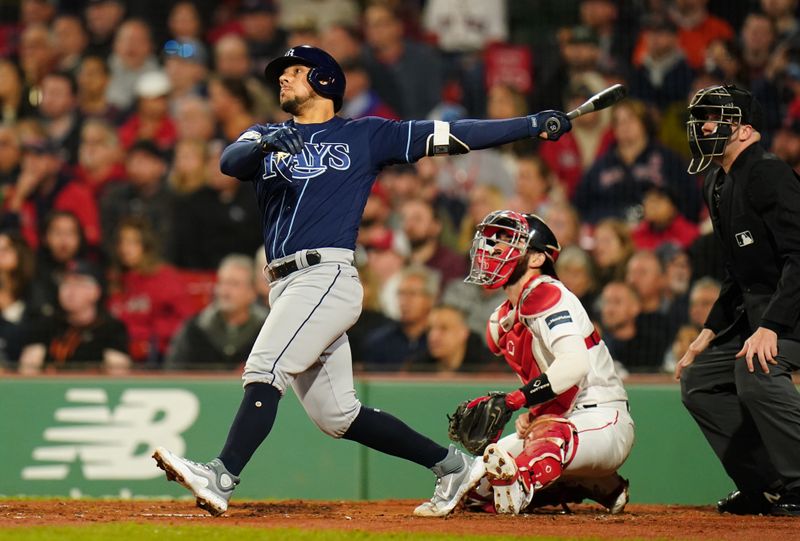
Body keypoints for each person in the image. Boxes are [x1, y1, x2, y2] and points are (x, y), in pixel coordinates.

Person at [151, 45, 574, 518]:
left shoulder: (366, 135)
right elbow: (231, 161)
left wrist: (531, 124)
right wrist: (267, 143)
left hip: (325, 275)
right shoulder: (267, 133)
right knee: (337, 416)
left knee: (266, 368)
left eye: (294, 71)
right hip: (284, 284)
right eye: (282, 73)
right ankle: (453, 466)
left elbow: (455, 133)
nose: (283, 80)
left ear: (325, 81)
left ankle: (222, 475)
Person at [421, 211, 633, 516]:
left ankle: (528, 484)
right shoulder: (506, 316)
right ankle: (590, 483)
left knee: (539, 447)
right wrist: (536, 411)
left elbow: (574, 365)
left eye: (509, 242)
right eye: (496, 242)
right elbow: (548, 376)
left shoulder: (549, 294)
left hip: (601, 417)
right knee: (477, 489)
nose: (494, 249)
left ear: (536, 259)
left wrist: (515, 400)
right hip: (559, 420)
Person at [676, 84, 800, 516]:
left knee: (756, 369)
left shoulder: (768, 172)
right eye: (701, 117)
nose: (702, 126)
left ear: (746, 131)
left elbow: (799, 256)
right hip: (756, 315)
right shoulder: (717, 180)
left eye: (713, 118)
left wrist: (772, 327)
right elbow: (737, 274)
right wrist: (708, 331)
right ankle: (766, 486)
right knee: (699, 382)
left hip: (790, 311)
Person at [18, 259, 130, 375]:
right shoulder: (45, 325)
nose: (70, 291)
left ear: (96, 292)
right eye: (65, 283)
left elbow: (118, 373)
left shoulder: (111, 328)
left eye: (78, 284)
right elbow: (28, 369)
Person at [166, 254, 268, 370]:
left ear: (252, 291)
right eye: (222, 283)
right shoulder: (195, 329)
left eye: (234, 284)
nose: (225, 291)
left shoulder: (268, 328)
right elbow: (173, 371)